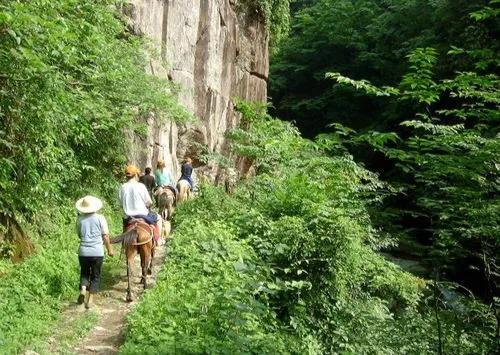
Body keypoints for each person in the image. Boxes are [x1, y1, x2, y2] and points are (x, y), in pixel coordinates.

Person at [75, 195, 114, 309]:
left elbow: (79, 234)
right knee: (96, 276)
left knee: (84, 273)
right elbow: (105, 236)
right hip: (97, 251)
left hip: (83, 251)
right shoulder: (100, 218)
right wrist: (110, 249)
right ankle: (90, 300)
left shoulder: (80, 219)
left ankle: (83, 290)